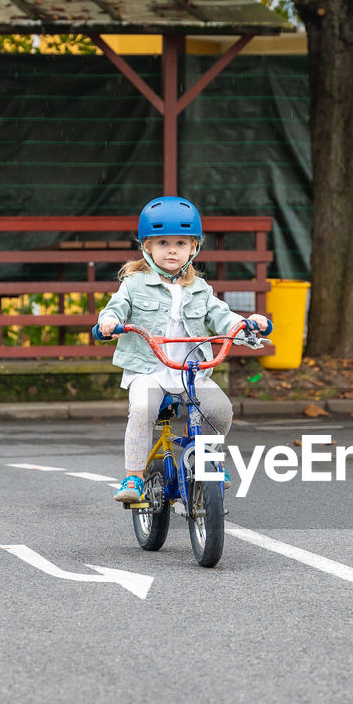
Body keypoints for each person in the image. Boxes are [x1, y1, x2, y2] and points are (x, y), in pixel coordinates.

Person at [98, 195, 269, 504]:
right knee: (142, 409)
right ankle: (134, 476)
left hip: (192, 372)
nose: (172, 249)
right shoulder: (134, 285)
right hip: (148, 370)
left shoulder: (200, 290)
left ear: (194, 248)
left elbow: (221, 315)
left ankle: (208, 460)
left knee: (220, 411)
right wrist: (109, 322)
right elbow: (116, 309)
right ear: (148, 248)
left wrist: (246, 325)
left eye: (181, 243)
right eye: (163, 242)